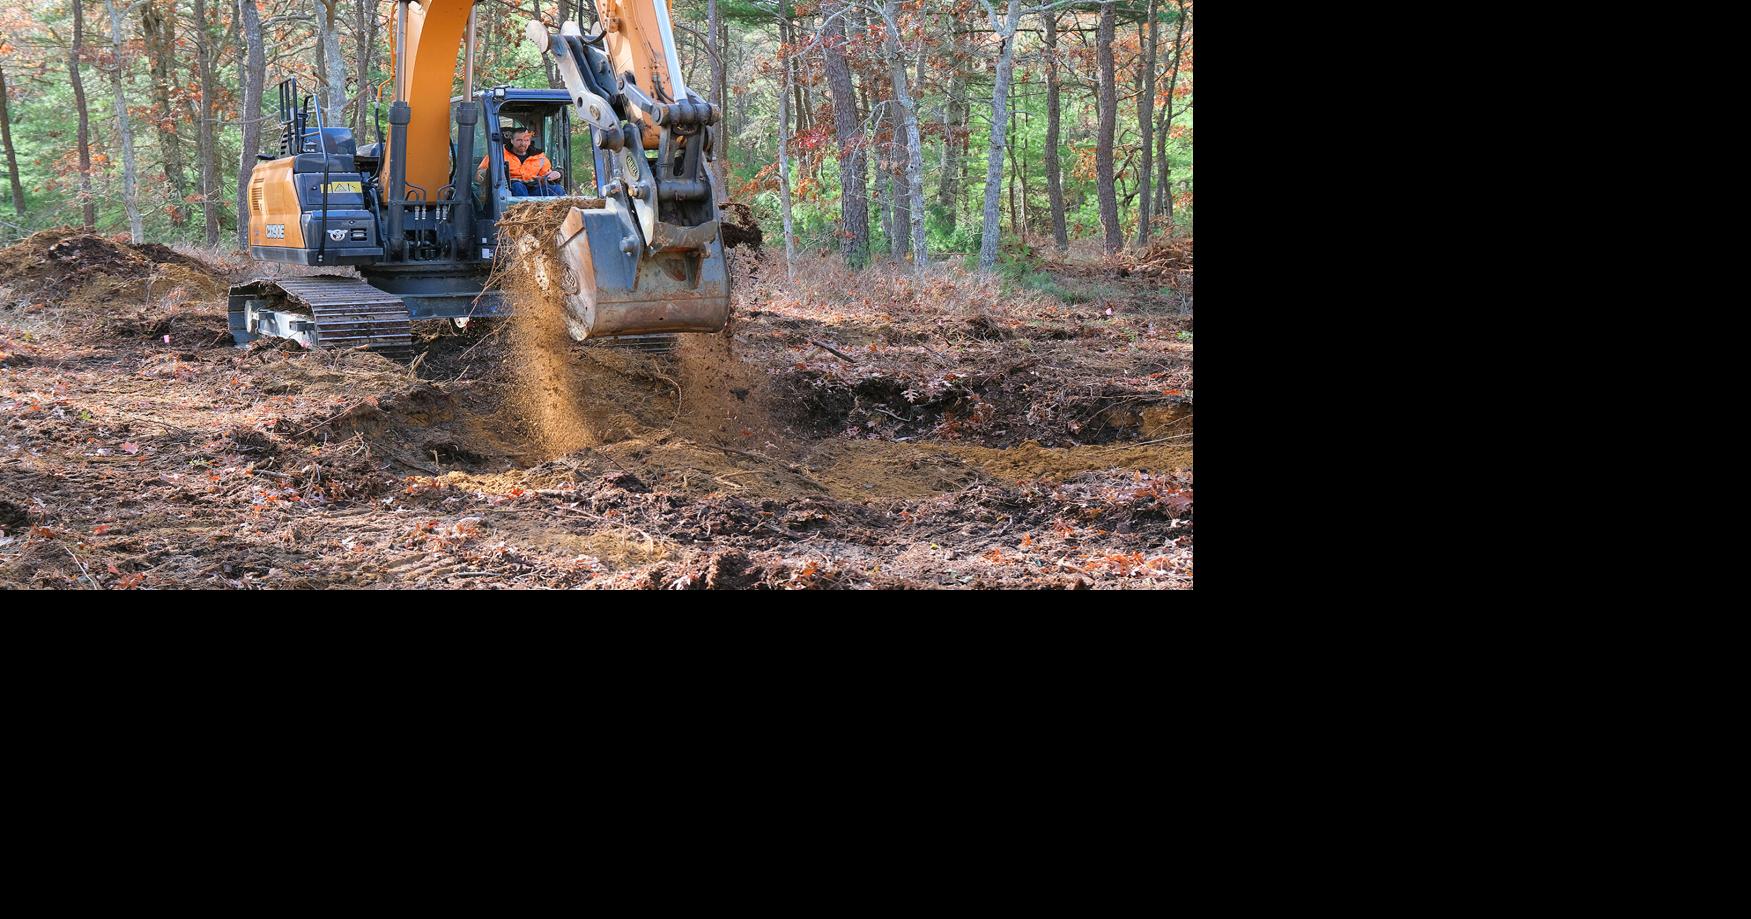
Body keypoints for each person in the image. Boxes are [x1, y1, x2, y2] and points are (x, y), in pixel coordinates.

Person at [476, 126, 563, 196]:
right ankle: (523, 216)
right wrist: (488, 175)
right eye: (519, 140)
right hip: (509, 193)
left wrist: (554, 175)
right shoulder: (497, 154)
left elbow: (546, 175)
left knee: (557, 189)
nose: (523, 143)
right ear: (512, 141)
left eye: (526, 140)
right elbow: (480, 174)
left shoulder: (540, 156)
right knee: (518, 186)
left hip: (534, 190)